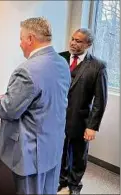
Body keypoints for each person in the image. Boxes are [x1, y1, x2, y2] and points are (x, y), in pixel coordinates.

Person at [0, 17, 71, 194]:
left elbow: (9, 110)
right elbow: (45, 99)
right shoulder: (63, 63)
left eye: (21, 38)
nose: (20, 44)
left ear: (30, 39)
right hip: (53, 146)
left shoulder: (27, 70)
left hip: (32, 153)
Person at [58, 28, 108, 195]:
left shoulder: (97, 66)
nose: (73, 42)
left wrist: (92, 126)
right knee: (60, 152)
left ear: (88, 44)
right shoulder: (59, 58)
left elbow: (100, 100)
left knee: (78, 156)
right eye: (72, 39)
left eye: (78, 41)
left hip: (80, 120)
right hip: (58, 118)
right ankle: (61, 181)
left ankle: (74, 185)